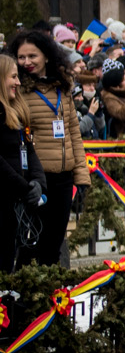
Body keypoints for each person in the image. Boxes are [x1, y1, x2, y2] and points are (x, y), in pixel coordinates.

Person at [4, 29, 88, 267]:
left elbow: (73, 131)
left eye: (33, 56)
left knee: (53, 245)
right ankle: (25, 299)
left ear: (47, 57)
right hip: (35, 178)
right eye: (21, 57)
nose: (26, 62)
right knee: (31, 244)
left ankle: (51, 299)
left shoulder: (62, 86)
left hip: (63, 175)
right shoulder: (18, 89)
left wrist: (80, 174)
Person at [0, 55, 47, 272]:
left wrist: (38, 182)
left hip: (18, 202)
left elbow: (29, 150)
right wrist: (23, 186)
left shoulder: (17, 112)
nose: (18, 82)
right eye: (13, 77)